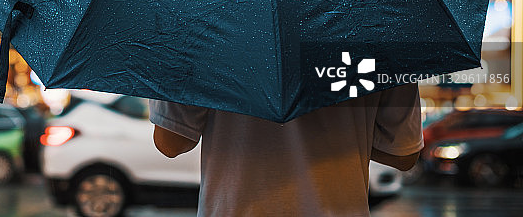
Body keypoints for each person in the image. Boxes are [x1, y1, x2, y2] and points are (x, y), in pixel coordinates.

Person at [150, 83, 423, 216]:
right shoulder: (376, 27)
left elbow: (171, 142)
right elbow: (404, 154)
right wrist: (346, 137)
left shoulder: (205, 22)